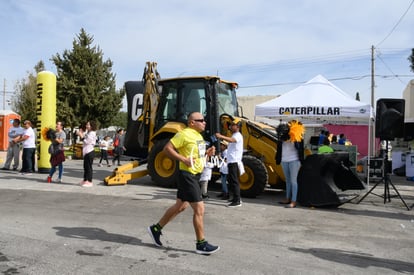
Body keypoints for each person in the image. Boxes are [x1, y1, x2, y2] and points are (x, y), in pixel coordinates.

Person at [147, 112, 220, 255]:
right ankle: (201, 244)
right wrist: (183, 159)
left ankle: (155, 229)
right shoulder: (183, 134)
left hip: (195, 175)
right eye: (201, 120)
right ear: (192, 122)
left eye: (204, 120)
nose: (204, 122)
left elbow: (197, 155)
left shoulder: (199, 136)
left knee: (180, 206)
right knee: (199, 209)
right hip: (187, 175)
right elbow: (167, 149)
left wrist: (207, 153)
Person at [276, 121, 305, 209]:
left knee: (293, 181)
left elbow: (300, 149)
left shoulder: (297, 137)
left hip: (294, 161)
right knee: (287, 181)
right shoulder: (281, 138)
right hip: (284, 160)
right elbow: (279, 149)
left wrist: (293, 139)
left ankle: (294, 201)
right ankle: (287, 198)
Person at [216, 120, 244, 207]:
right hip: (231, 161)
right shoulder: (234, 135)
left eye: (233, 125)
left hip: (234, 161)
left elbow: (232, 140)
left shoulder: (237, 135)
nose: (231, 126)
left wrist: (221, 136)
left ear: (238, 127)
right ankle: (235, 198)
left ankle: (237, 200)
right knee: (231, 181)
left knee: (234, 181)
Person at [77, 121, 97, 187]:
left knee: (89, 167)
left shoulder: (92, 133)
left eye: (88, 125)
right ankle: (85, 180)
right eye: (87, 124)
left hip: (89, 151)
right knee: (85, 167)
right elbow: (84, 137)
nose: (86, 126)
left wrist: (81, 135)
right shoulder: (89, 132)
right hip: (86, 152)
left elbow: (87, 141)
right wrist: (81, 133)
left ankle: (89, 181)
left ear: (92, 126)